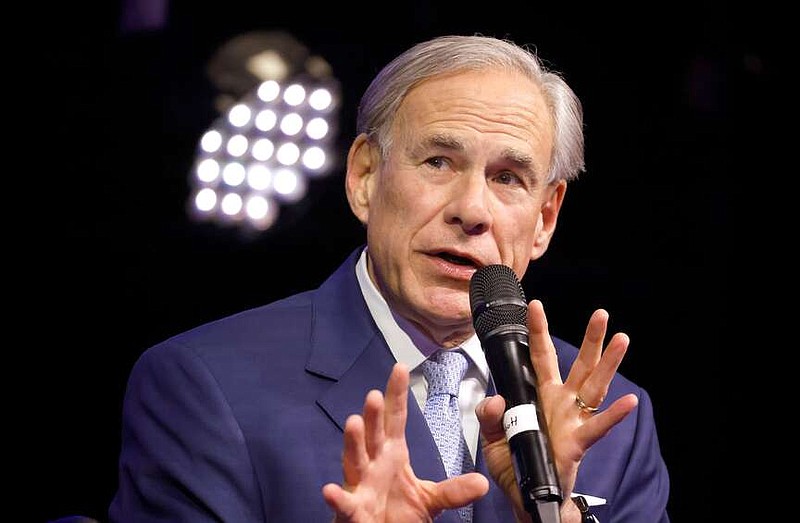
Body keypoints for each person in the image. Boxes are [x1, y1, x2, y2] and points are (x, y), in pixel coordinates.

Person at [109, 34, 670, 522]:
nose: (472, 210)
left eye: (508, 177)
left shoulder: (613, 419)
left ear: (545, 218)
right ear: (364, 177)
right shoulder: (206, 387)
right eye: (439, 162)